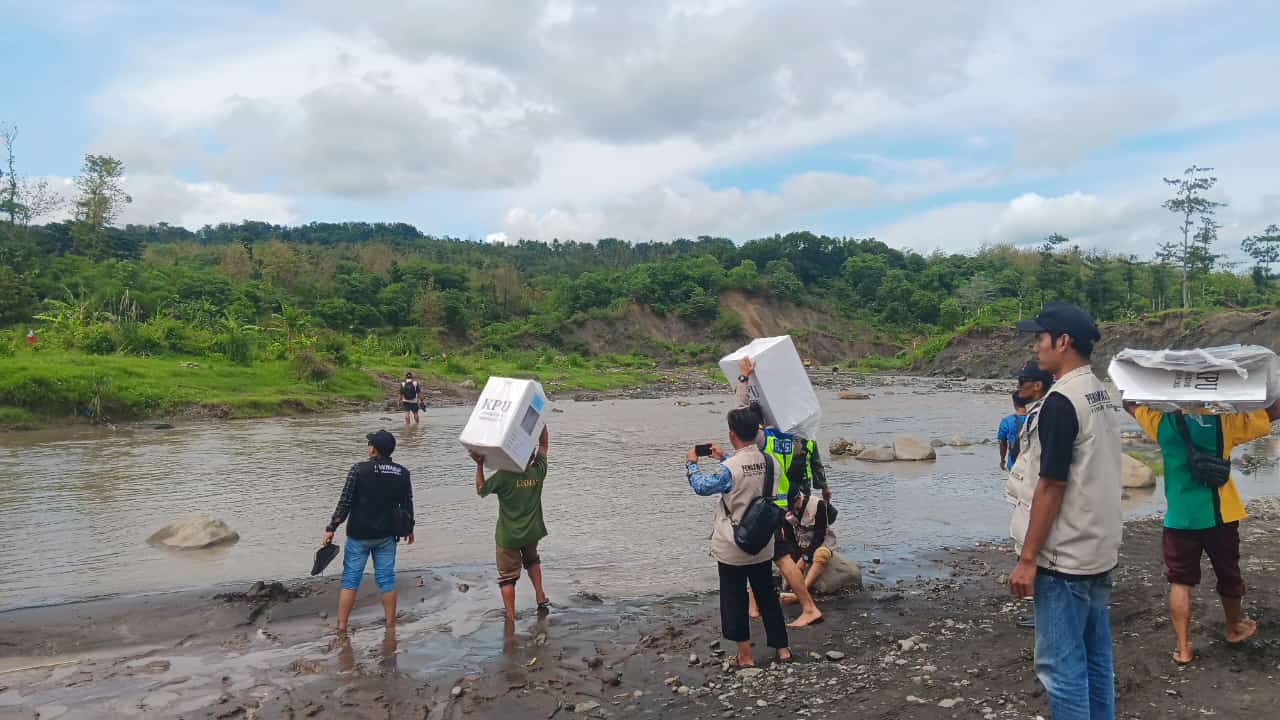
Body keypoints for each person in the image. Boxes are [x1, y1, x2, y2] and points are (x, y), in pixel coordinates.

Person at [1007, 302, 1124, 720]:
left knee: (1060, 668)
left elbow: (1052, 484)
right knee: (1095, 658)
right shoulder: (1104, 393)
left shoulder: (1061, 402)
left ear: (1063, 341)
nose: (1035, 348)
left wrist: (1027, 559)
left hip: (1065, 559)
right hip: (1097, 551)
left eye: (1040, 338)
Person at [1123, 398, 1280, 665]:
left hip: (1179, 518)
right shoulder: (1226, 423)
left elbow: (1129, 404)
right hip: (1221, 515)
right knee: (1228, 576)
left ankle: (1183, 649)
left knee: (1180, 581)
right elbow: (1272, 412)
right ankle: (1233, 629)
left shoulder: (1163, 422)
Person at [686, 406, 793, 668]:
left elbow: (702, 486)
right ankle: (783, 650)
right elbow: (747, 476)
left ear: (732, 434)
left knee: (734, 598)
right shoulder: (772, 462)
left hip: (733, 544)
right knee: (767, 595)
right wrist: (725, 458)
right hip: (762, 541)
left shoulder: (730, 469)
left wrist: (691, 463)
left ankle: (745, 656)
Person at [734, 357, 824, 628]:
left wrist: (743, 378)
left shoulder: (766, 439)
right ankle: (759, 606)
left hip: (765, 509)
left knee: (766, 556)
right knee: (779, 557)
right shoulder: (795, 438)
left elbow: (740, 417)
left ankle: (806, 608)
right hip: (783, 505)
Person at [323, 430, 415, 634]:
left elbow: (345, 503)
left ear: (373, 449)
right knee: (386, 580)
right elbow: (407, 503)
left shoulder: (358, 470)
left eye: (369, 444)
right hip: (387, 535)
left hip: (359, 534)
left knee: (350, 580)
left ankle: (342, 626)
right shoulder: (402, 472)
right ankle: (390, 624)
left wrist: (331, 528)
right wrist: (410, 528)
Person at [472, 425, 551, 622]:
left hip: (508, 536)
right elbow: (544, 444)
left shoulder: (504, 477)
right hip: (532, 532)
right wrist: (540, 423)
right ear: (530, 457)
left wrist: (479, 464)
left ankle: (510, 616)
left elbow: (481, 490)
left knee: (507, 577)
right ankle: (540, 596)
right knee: (532, 561)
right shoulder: (537, 472)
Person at [779, 491, 836, 604]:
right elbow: (790, 539)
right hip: (801, 544)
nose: (790, 509)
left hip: (821, 542)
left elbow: (820, 535)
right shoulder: (785, 510)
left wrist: (805, 559)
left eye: (792, 505)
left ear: (799, 498)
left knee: (822, 555)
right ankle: (787, 589)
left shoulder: (817, 504)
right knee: (785, 558)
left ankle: (799, 595)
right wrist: (794, 562)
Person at [998, 392, 1028, 471]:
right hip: (1033, 465)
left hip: (1014, 464)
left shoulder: (1007, 421)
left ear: (1014, 403)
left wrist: (1002, 460)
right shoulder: (1036, 419)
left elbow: (1003, 443)